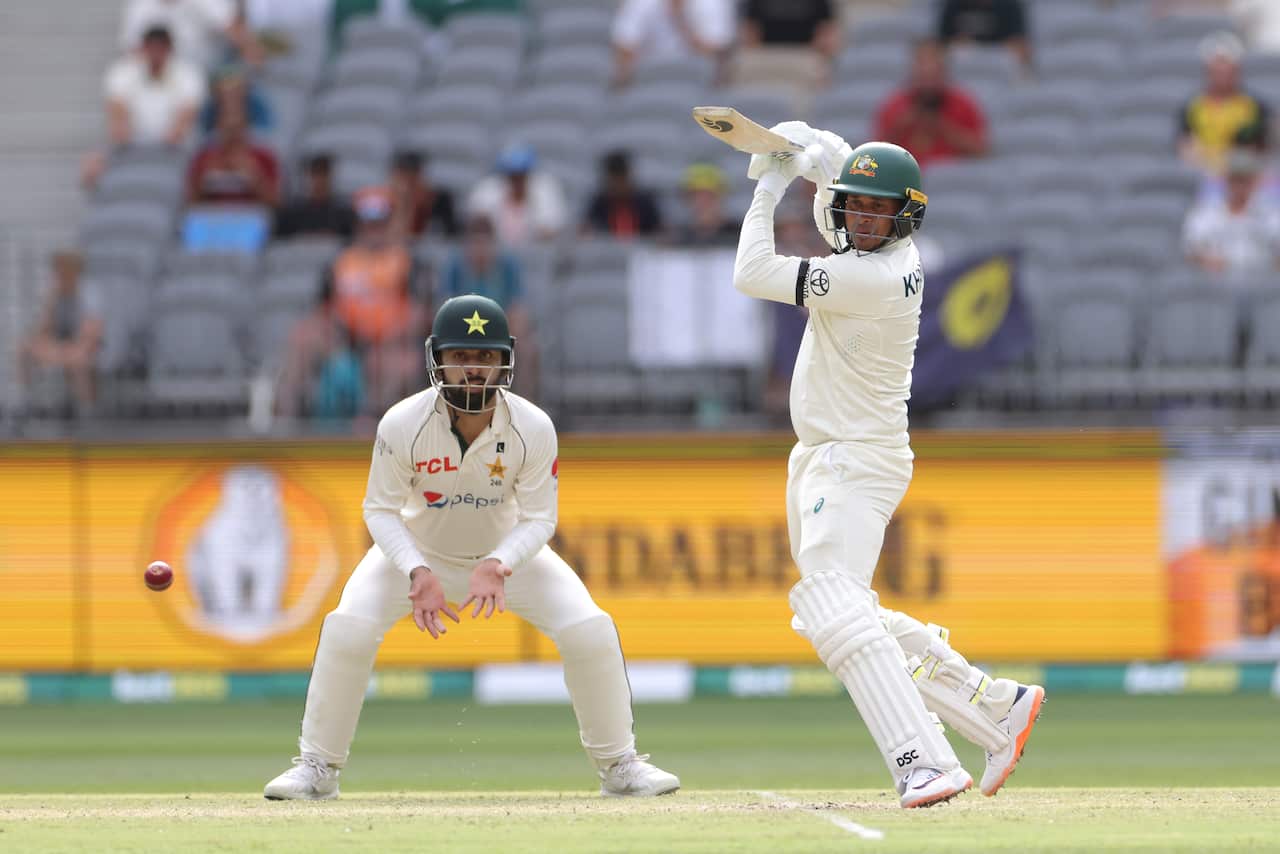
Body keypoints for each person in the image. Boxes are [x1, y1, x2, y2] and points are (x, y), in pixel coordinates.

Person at [730, 123, 1044, 808]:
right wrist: (809, 144)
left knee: (829, 604)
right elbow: (843, 176)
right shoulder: (862, 248)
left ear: (906, 217)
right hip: (824, 455)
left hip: (854, 459)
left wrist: (770, 184)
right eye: (856, 207)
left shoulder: (874, 275)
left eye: (879, 209)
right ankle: (991, 704)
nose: (864, 218)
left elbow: (751, 272)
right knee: (838, 613)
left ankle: (924, 761)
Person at [263, 294, 680, 800]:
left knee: (589, 630)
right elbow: (379, 511)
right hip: (417, 556)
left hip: (506, 558)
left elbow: (540, 518)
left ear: (505, 360)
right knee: (347, 628)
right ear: (437, 359)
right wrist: (417, 571)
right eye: (461, 357)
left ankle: (620, 766)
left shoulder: (533, 426)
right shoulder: (401, 423)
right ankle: (317, 769)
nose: (473, 371)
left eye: (485, 358)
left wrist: (499, 562)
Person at [872, 39, 988, 170]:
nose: (928, 71)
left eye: (934, 67)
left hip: (952, 180)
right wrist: (900, 127)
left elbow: (981, 151)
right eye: (922, 65)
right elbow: (875, 155)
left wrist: (943, 128)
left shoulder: (963, 103)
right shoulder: (895, 105)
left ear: (944, 70)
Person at [17, 252, 102, 414]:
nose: (59, 275)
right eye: (57, 272)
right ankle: (27, 402)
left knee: (78, 359)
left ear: (75, 272)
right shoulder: (55, 292)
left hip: (86, 345)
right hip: (62, 344)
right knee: (25, 349)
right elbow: (44, 329)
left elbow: (91, 333)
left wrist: (67, 350)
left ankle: (86, 409)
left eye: (63, 271)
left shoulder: (90, 293)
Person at [1178, 31, 1271, 175]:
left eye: (1227, 70)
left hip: (1241, 177)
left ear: (1237, 72)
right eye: (1217, 71)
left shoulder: (1254, 107)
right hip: (1204, 177)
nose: (1222, 76)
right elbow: (1186, 148)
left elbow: (1260, 148)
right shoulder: (1192, 107)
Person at [1183, 147, 1280, 277]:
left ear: (1255, 181)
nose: (1239, 185)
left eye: (1245, 179)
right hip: (1215, 285)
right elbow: (1191, 251)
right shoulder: (1205, 213)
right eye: (1235, 179)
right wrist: (1203, 261)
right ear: (1226, 180)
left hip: (1261, 282)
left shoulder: (1271, 214)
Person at [467, 144, 568, 248]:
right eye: (512, 176)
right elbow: (477, 228)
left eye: (521, 175)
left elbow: (550, 232)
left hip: (535, 255)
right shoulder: (487, 191)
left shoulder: (546, 191)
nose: (517, 181)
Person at [186, 98, 280, 206]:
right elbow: (190, 202)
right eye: (227, 124)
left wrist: (255, 177)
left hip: (252, 217)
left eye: (236, 125)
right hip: (210, 217)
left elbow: (275, 203)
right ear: (218, 125)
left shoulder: (264, 156)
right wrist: (204, 179)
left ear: (246, 124)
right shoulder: (203, 156)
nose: (231, 131)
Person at [582, 150, 664, 239]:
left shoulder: (645, 202)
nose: (618, 186)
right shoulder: (599, 202)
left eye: (621, 180)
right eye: (614, 181)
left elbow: (661, 230)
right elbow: (586, 229)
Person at [273, 153, 355, 239]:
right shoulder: (291, 213)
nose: (319, 180)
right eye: (315, 174)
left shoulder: (343, 214)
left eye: (324, 174)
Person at [937, 0, 1031, 69]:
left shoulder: (1010, 6)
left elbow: (1020, 43)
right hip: (962, 68)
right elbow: (940, 45)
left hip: (1001, 67)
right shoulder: (952, 5)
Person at [388, 150, 459, 240]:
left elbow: (451, 237)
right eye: (404, 177)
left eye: (413, 177)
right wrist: (403, 206)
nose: (408, 185)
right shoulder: (384, 204)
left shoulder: (440, 201)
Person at [670, 163, 739, 247]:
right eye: (696, 196)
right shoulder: (676, 238)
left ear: (722, 197)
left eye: (709, 196)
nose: (703, 202)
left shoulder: (743, 234)